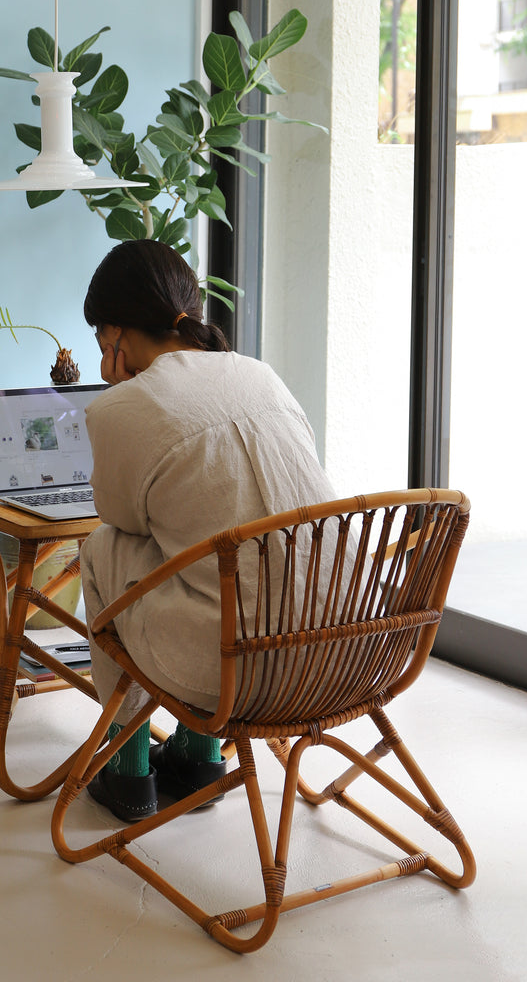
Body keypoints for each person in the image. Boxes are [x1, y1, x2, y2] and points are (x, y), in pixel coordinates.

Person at [80, 239, 336, 823]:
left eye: (100, 339)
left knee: (104, 547)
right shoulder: (261, 376)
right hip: (342, 649)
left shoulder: (125, 405)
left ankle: (128, 770)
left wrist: (121, 398)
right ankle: (198, 761)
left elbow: (119, 519)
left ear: (114, 334)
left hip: (236, 670)